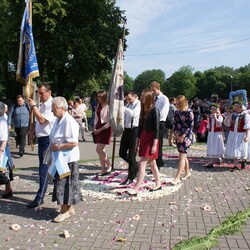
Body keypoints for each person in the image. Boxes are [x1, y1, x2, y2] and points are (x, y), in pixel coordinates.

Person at [49, 97, 80, 223]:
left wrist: (59, 146)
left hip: (67, 159)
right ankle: (69, 207)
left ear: (62, 108)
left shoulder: (69, 121)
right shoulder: (59, 120)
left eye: (54, 108)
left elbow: (73, 143)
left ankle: (64, 211)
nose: (52, 111)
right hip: (59, 158)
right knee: (63, 184)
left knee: (64, 184)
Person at [125, 90, 161, 196]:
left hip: (151, 139)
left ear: (149, 98)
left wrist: (154, 145)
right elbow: (140, 128)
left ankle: (136, 188)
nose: (141, 98)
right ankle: (158, 183)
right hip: (144, 137)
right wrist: (137, 142)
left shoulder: (155, 111)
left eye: (143, 96)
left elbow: (157, 130)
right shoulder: (144, 110)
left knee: (142, 163)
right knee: (152, 162)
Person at [27, 83, 55, 208]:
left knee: (43, 170)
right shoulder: (43, 104)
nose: (40, 95)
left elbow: (43, 120)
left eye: (42, 93)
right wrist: (33, 129)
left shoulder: (52, 105)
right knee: (50, 169)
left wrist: (33, 107)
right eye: (39, 92)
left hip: (48, 139)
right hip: (42, 139)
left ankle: (40, 197)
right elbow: (39, 121)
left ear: (49, 92)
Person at [119, 91, 141, 185]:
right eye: (126, 99)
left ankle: (130, 177)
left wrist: (123, 108)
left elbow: (134, 114)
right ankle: (135, 165)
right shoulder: (127, 105)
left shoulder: (138, 104)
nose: (128, 101)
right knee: (122, 153)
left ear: (134, 96)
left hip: (134, 130)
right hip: (126, 130)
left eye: (129, 99)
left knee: (132, 155)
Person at [171, 95, 194, 185]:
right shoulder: (177, 112)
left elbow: (191, 126)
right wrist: (176, 134)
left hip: (187, 136)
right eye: (177, 103)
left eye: (179, 103)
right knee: (182, 155)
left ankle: (177, 177)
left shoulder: (189, 112)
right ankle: (187, 172)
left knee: (182, 157)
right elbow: (174, 123)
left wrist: (183, 136)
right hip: (178, 135)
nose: (177, 104)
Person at [224, 101, 250, 172]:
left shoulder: (246, 115)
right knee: (234, 149)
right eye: (235, 106)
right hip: (233, 134)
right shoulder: (233, 115)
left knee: (241, 148)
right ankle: (236, 165)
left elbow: (247, 127)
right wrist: (229, 114)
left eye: (237, 106)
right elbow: (226, 123)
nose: (235, 107)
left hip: (241, 134)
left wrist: (247, 136)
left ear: (241, 107)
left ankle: (243, 161)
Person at [150, 81, 169, 170]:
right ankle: (155, 162)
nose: (152, 92)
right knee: (153, 143)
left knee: (158, 144)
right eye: (151, 90)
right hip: (152, 122)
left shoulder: (164, 98)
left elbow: (163, 112)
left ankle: (158, 164)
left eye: (154, 90)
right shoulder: (152, 98)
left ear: (158, 88)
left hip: (160, 122)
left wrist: (154, 117)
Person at [94, 90, 112, 175]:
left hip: (105, 128)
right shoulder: (98, 105)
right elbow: (96, 117)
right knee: (101, 150)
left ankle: (108, 165)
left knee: (99, 149)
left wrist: (101, 129)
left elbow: (110, 121)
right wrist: (94, 127)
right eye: (98, 96)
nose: (99, 98)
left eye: (101, 96)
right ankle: (102, 169)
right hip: (98, 126)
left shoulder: (108, 106)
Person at [0, 102, 15, 198]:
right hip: (2, 147)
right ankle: (8, 189)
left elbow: (4, 138)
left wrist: (1, 151)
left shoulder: (2, 121)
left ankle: (8, 190)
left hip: (1, 147)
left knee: (3, 170)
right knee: (5, 171)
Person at [206, 103, 225, 168]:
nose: (212, 110)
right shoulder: (210, 116)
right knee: (212, 146)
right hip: (212, 133)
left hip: (217, 133)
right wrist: (209, 133)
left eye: (214, 109)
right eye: (211, 109)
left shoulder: (220, 116)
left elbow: (219, 124)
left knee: (217, 145)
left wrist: (216, 117)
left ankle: (219, 158)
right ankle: (211, 162)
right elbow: (209, 125)